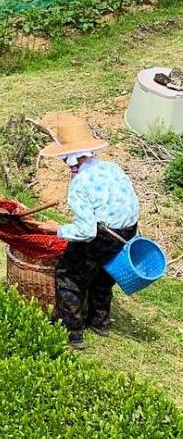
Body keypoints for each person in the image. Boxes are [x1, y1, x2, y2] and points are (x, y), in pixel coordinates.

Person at [37, 114, 140, 350]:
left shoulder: (80, 183)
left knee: (69, 276)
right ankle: (100, 321)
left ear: (68, 157)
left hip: (103, 235)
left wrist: (58, 229)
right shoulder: (112, 168)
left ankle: (72, 332)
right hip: (126, 231)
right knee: (104, 275)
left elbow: (86, 231)